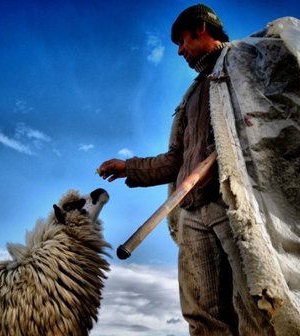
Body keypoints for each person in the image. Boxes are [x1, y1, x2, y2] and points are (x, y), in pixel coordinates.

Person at [97, 4, 271, 335]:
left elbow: (270, 124)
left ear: (201, 30)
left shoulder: (242, 64)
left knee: (254, 307)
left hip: (233, 206)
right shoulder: (192, 96)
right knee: (202, 314)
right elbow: (176, 161)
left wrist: (233, 146)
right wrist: (129, 167)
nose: (179, 51)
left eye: (181, 41)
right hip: (193, 212)